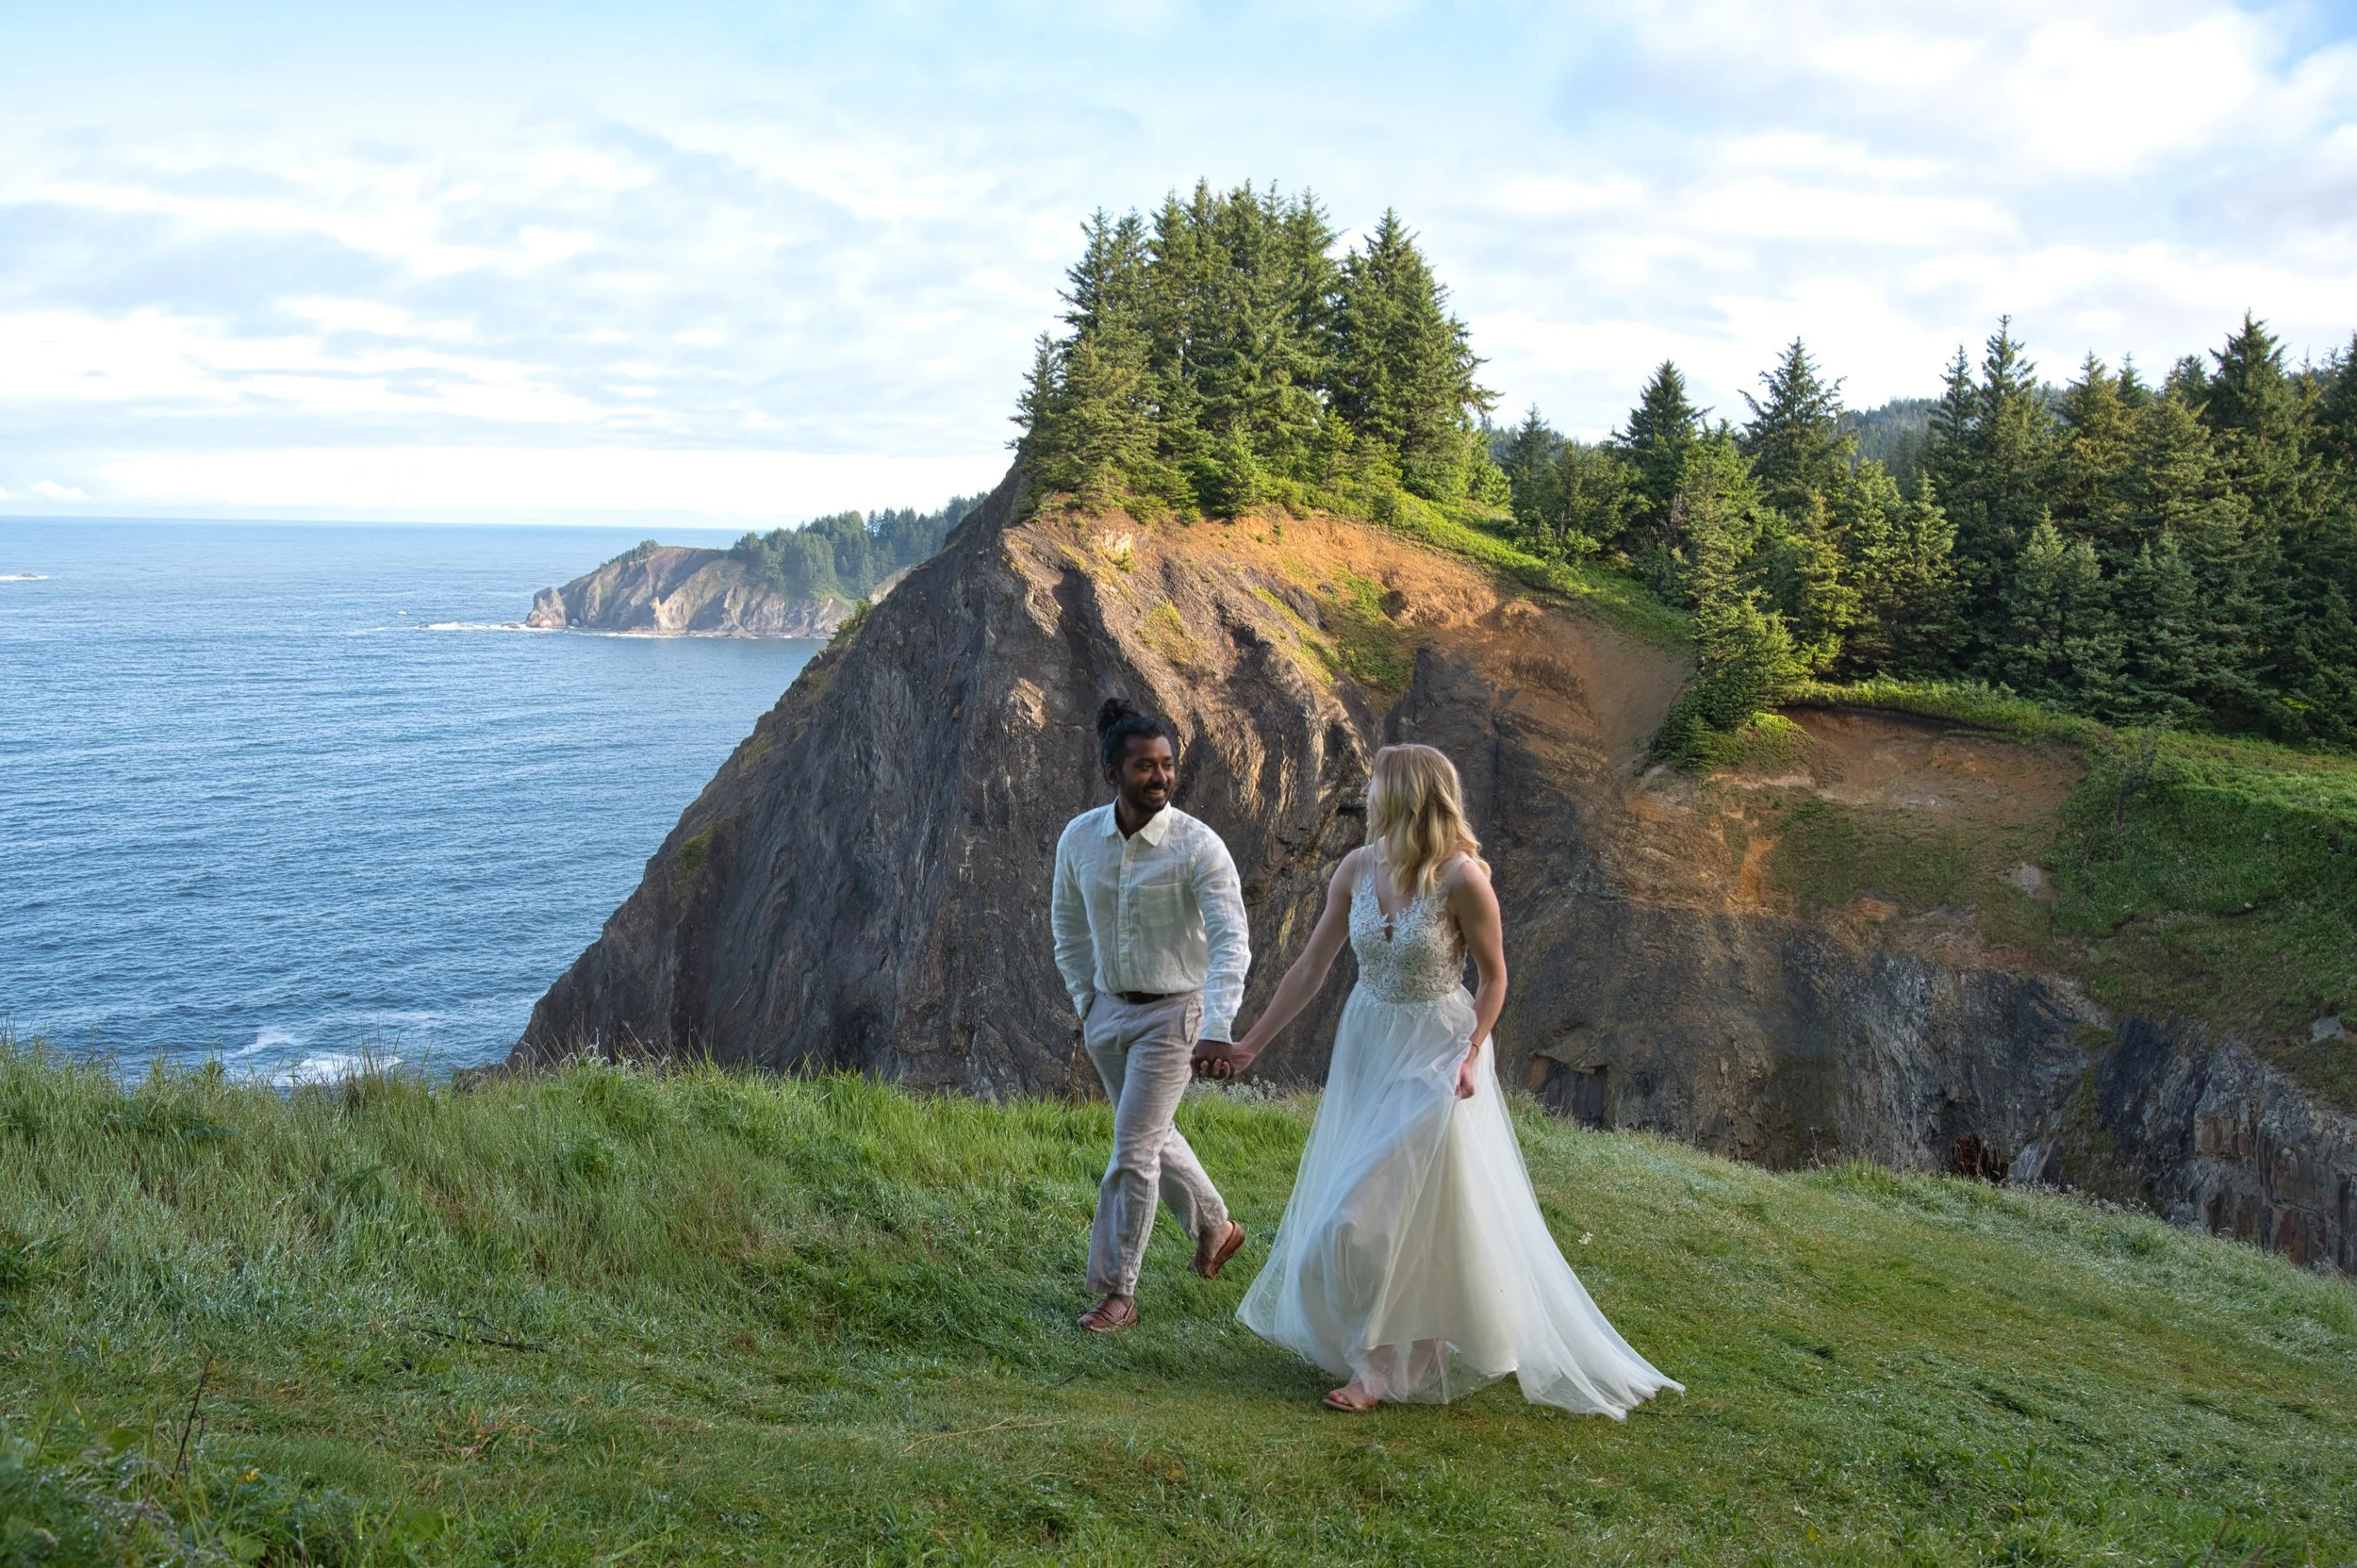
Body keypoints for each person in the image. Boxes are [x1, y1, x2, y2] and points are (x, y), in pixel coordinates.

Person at [1194, 743, 1682, 1415]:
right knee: (1409, 1211)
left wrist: (1469, 1050)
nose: (1367, 794)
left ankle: (1373, 1367)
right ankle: (1411, 1345)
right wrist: (1250, 1043)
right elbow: (1310, 968)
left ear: (1408, 795)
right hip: (1367, 1043)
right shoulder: (1357, 869)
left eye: (1378, 784)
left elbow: (1495, 978)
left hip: (1437, 1050)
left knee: (1359, 1217)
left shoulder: (1462, 880)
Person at [1051, 698, 1251, 1333]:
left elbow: (1230, 942)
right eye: (1145, 766)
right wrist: (1086, 1002)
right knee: (1154, 1132)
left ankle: (1118, 1293)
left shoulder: (1199, 847)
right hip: (1108, 1014)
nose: (1160, 776)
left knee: (1132, 1148)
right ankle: (1216, 1225)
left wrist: (1216, 1023)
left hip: (1175, 1017)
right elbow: (1068, 926)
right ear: (1113, 773)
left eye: (1167, 765)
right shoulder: (1079, 838)